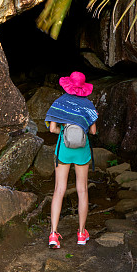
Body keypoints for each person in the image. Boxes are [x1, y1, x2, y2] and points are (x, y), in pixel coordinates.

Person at [45, 71, 98, 249]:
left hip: (64, 150)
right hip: (82, 151)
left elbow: (52, 128)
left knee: (59, 190)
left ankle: (53, 234)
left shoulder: (60, 102)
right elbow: (93, 132)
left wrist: (63, 130)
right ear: (83, 87)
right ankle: (82, 233)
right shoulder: (88, 104)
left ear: (68, 85)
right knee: (82, 190)